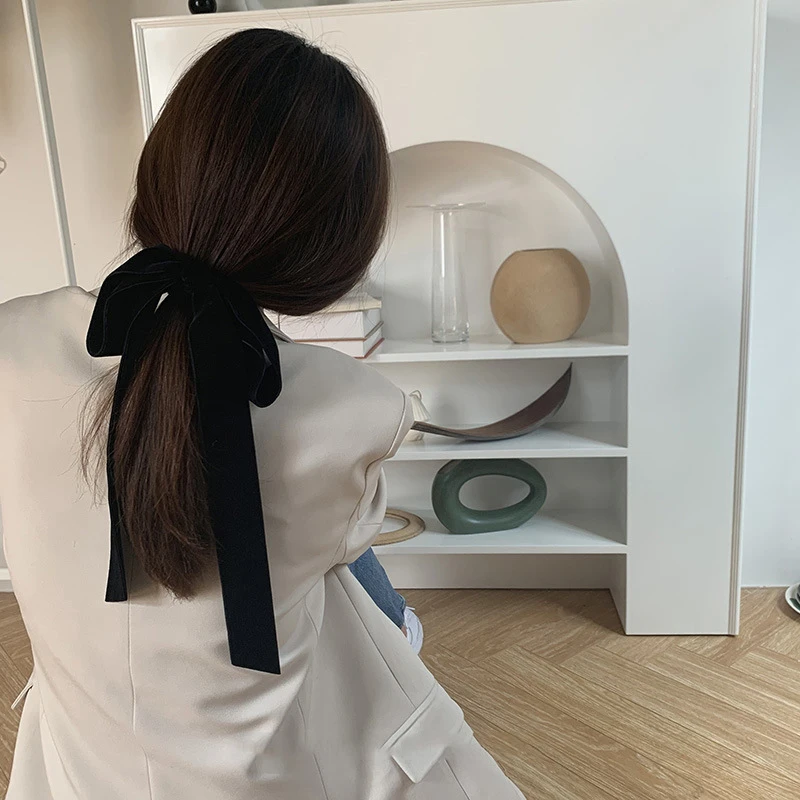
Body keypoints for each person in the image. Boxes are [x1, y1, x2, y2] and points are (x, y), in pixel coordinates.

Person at [0, 29, 523, 800]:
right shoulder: (356, 409)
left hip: (76, 763)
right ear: (337, 240)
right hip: (257, 780)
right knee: (353, 587)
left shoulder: (13, 341)